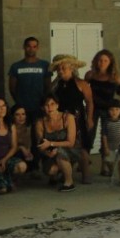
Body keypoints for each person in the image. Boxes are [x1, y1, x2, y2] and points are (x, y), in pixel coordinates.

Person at [50, 54, 94, 184]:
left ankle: (86, 176)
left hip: (77, 118)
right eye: (58, 69)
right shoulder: (56, 85)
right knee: (63, 146)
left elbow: (90, 102)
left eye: (64, 68)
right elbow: (49, 97)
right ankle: (62, 173)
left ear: (71, 68)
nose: (61, 71)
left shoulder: (82, 84)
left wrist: (90, 118)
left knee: (82, 147)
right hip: (61, 119)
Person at [84, 49, 120, 175]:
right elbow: (84, 90)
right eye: (100, 60)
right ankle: (85, 163)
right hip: (93, 109)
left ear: (110, 62)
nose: (102, 63)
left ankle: (104, 166)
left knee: (105, 136)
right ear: (96, 61)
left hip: (109, 110)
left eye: (105, 60)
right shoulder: (90, 75)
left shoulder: (115, 77)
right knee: (89, 134)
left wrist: (119, 111)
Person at [35, 94, 80, 192]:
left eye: (53, 104)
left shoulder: (68, 117)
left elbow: (71, 142)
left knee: (59, 152)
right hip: (51, 153)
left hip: (70, 150)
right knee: (51, 170)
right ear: (43, 108)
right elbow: (40, 145)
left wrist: (51, 144)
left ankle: (69, 182)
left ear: (57, 105)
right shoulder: (40, 122)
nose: (50, 107)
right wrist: (46, 152)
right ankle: (57, 175)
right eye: (47, 105)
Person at [0, 96, 27, 194]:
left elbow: (14, 146)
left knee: (22, 166)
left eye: (4, 106)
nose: (2, 109)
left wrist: (5, 160)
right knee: (3, 190)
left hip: (6, 158)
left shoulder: (11, 125)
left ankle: (9, 178)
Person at [8, 37, 50, 121]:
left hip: (39, 107)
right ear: (24, 47)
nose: (31, 49)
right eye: (29, 46)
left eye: (34, 46)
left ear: (38, 48)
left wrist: (43, 103)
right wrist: (19, 103)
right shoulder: (16, 66)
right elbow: (12, 88)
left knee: (38, 132)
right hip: (22, 109)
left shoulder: (45, 65)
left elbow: (48, 86)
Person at [101, 99, 120, 185]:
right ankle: (112, 172)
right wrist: (105, 147)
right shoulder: (106, 122)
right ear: (108, 111)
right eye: (111, 109)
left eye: (117, 109)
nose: (114, 112)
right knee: (109, 161)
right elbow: (104, 135)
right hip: (110, 146)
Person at [10, 105, 36, 169]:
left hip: (28, 152)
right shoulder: (10, 128)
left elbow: (31, 142)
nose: (21, 117)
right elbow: (9, 148)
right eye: (17, 115)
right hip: (14, 153)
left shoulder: (29, 127)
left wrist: (28, 150)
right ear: (13, 116)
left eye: (23, 114)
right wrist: (21, 148)